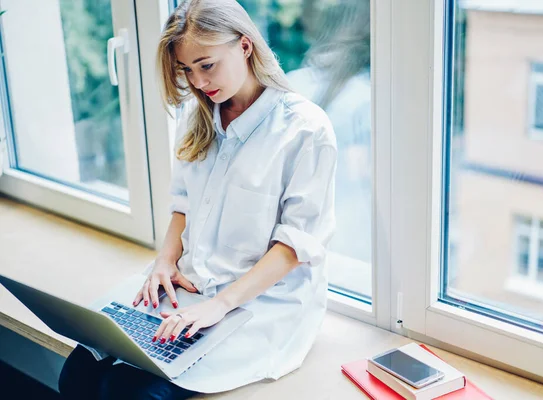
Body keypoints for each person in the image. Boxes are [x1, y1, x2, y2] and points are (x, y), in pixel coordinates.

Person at [58, 0, 336, 399]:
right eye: (186, 70)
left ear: (244, 46)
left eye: (206, 65)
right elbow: (183, 205)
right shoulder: (196, 113)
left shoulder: (305, 129)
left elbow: (295, 246)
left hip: (258, 305)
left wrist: (219, 305)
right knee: (79, 374)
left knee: (130, 392)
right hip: (192, 289)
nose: (199, 82)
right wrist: (164, 262)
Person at [287, 0, 371, 264]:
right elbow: (365, 171)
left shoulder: (293, 83)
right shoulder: (363, 99)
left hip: (298, 238)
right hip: (348, 240)